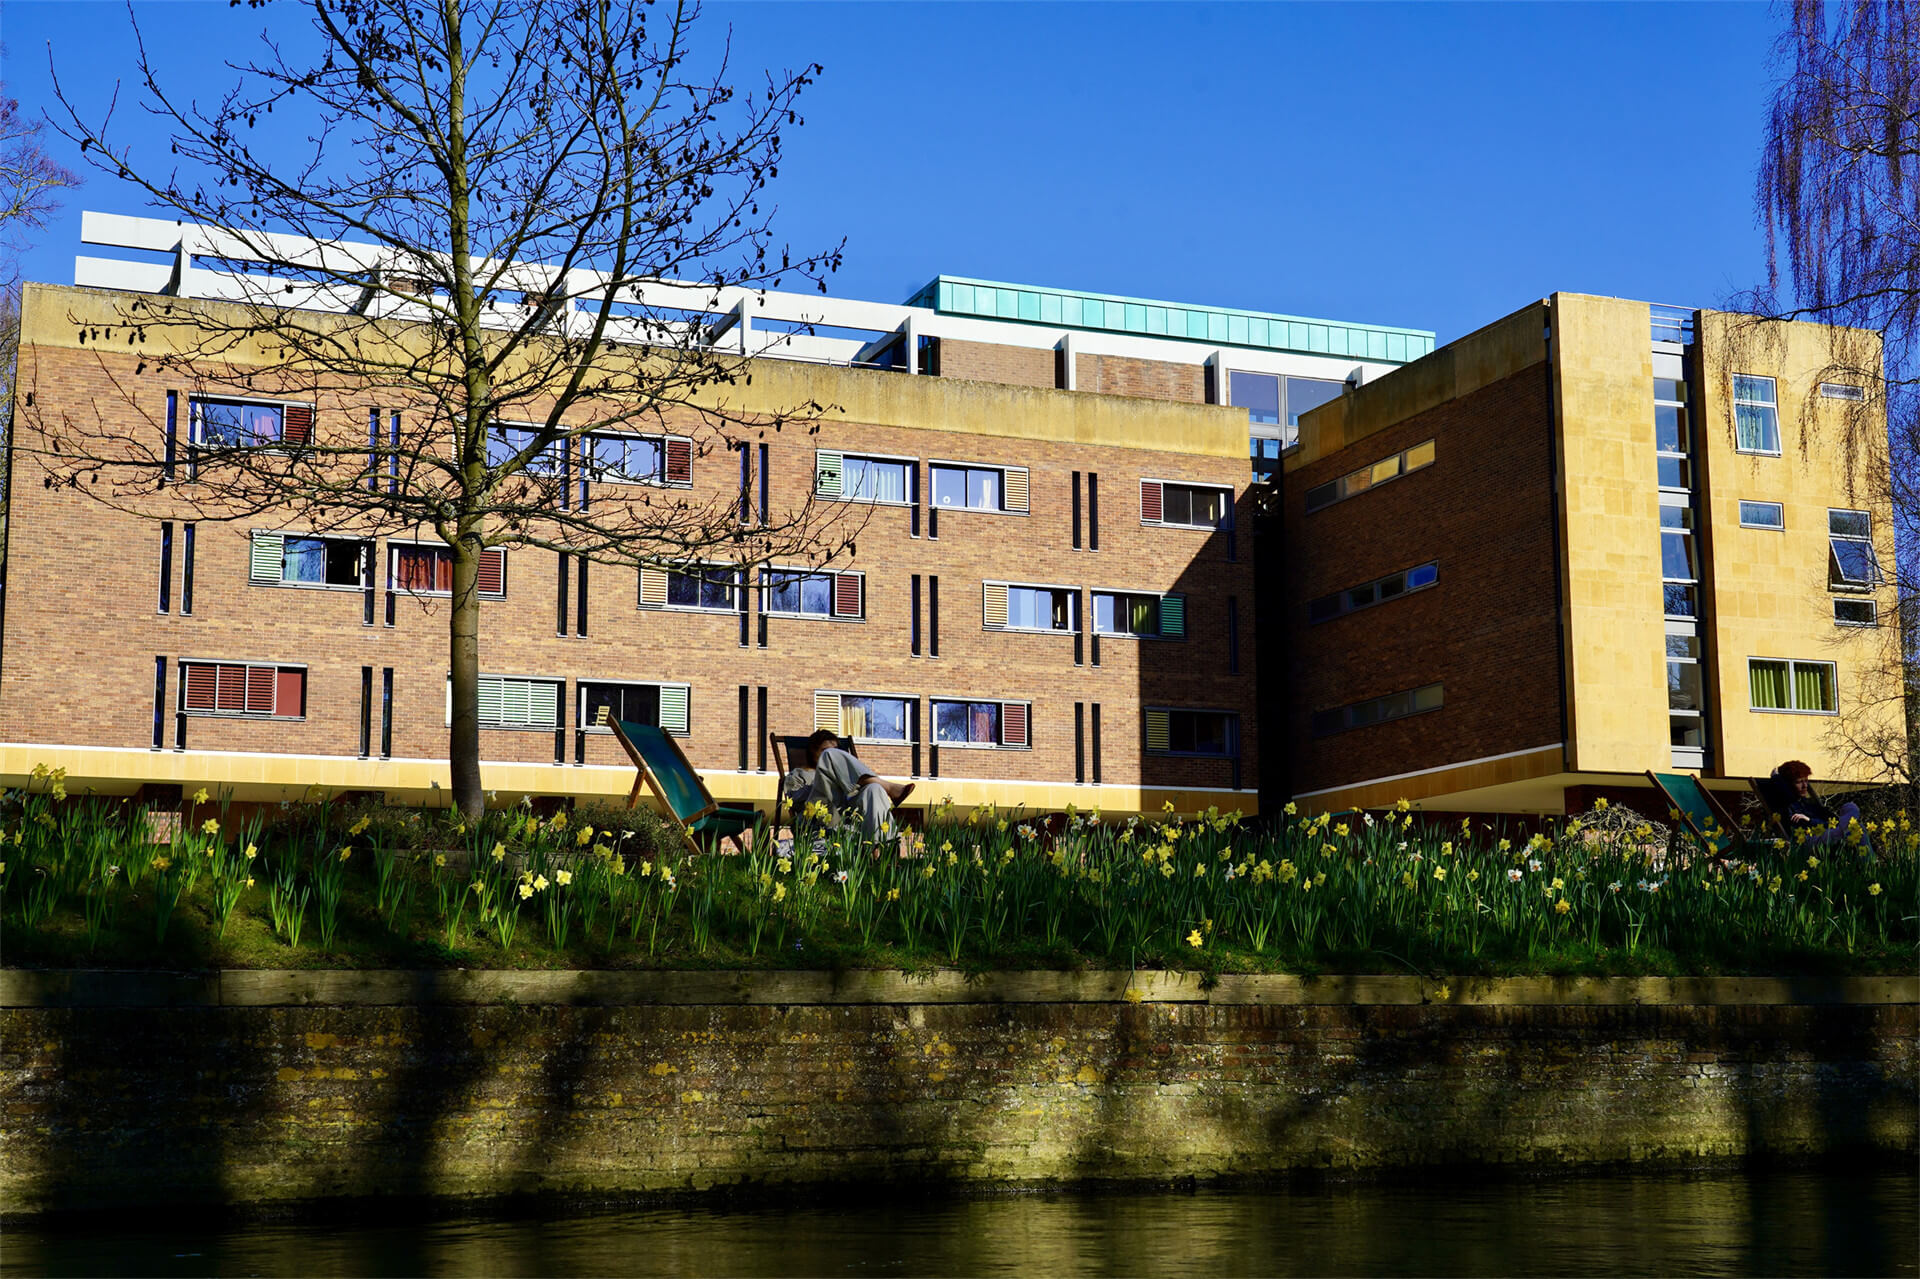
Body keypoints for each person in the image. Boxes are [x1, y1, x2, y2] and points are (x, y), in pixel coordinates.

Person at [783, 729, 914, 841]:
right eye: (824, 750)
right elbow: (797, 801)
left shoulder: (845, 776)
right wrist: (825, 781)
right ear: (813, 751)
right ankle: (889, 788)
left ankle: (884, 849)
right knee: (829, 757)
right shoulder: (797, 775)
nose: (832, 754)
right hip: (818, 816)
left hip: (845, 811)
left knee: (874, 789)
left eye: (836, 751)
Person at [1770, 760, 1872, 854]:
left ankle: (1846, 827)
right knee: (1858, 829)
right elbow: (1781, 786)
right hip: (1809, 839)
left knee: (1850, 806)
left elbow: (1832, 819)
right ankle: (1870, 865)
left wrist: (1811, 820)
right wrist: (1809, 821)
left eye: (1806, 781)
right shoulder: (1787, 804)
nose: (1805, 786)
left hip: (1827, 831)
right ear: (1787, 785)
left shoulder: (1807, 803)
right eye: (1799, 782)